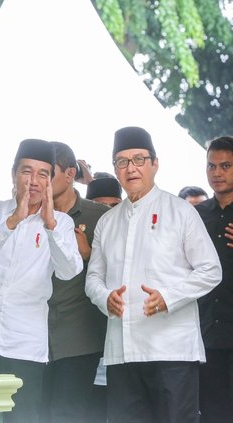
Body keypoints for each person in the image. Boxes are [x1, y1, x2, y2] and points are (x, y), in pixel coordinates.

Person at [85, 126, 222, 423]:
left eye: (138, 159)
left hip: (172, 350)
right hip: (122, 351)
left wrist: (169, 297)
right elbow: (93, 278)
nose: (130, 168)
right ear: (115, 169)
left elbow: (211, 269)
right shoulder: (108, 222)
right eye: (122, 162)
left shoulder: (181, 211)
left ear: (154, 164)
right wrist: (105, 297)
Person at [0, 139, 83, 423]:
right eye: (27, 172)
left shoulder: (61, 223)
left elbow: (69, 271)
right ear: (14, 174)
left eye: (43, 174)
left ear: (51, 181)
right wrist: (13, 220)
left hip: (25, 345)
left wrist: (51, 225)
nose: (35, 181)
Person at [41, 141, 109, 423]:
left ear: (70, 174)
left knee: (69, 415)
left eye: (49, 173)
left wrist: (89, 254)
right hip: (31, 336)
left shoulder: (101, 217)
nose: (40, 181)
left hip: (80, 338)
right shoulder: (28, 216)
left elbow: (120, 273)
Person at [195, 136, 233, 422]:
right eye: (211, 166)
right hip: (205, 333)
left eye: (226, 166)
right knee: (212, 412)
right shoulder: (194, 215)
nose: (217, 173)